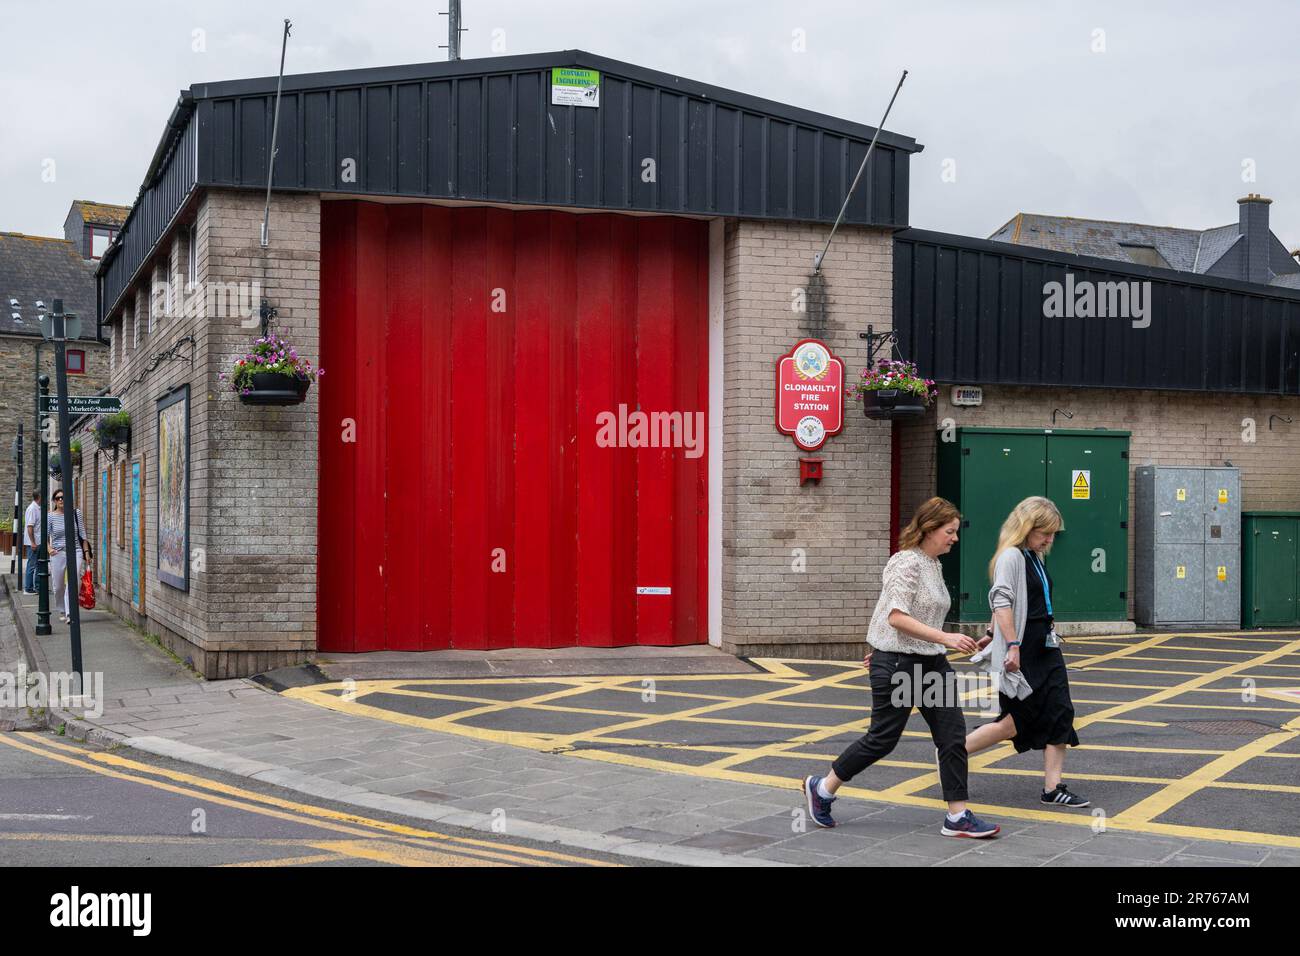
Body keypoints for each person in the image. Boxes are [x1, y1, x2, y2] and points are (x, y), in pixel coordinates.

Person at [802, 497, 1000, 837]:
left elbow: (905, 618)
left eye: (955, 532)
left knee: (952, 737)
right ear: (928, 529)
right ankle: (822, 788)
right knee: (882, 739)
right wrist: (939, 639)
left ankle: (957, 816)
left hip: (930, 664)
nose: (955, 538)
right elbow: (896, 616)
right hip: (899, 666)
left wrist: (953, 642)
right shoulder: (906, 563)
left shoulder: (933, 564)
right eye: (949, 531)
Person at [965, 496, 1088, 808]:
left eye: (1052, 534)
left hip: (1046, 645)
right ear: (1026, 527)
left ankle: (1053, 788)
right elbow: (1001, 600)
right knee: (1016, 721)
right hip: (1023, 646)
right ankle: (954, 750)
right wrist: (1009, 643)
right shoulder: (1011, 557)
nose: (1049, 539)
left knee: (1061, 711)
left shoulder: (1035, 555)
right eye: (1044, 532)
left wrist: (992, 632)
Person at [47, 489, 89, 625]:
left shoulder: (76, 513)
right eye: (57, 498)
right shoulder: (50, 516)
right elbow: (44, 536)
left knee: (73, 580)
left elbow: (83, 534)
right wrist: (49, 549)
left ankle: (70, 612)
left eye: (63, 497)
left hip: (75, 551)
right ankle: (61, 609)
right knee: (58, 585)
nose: (60, 500)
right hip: (58, 553)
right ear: (54, 501)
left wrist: (86, 552)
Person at [23, 490, 41, 593]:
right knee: (32, 565)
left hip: (39, 542)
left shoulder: (38, 508)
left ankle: (37, 587)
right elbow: (30, 527)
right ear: (39, 496)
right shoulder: (32, 509)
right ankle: (28, 589)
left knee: (39, 565)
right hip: (33, 543)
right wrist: (33, 542)